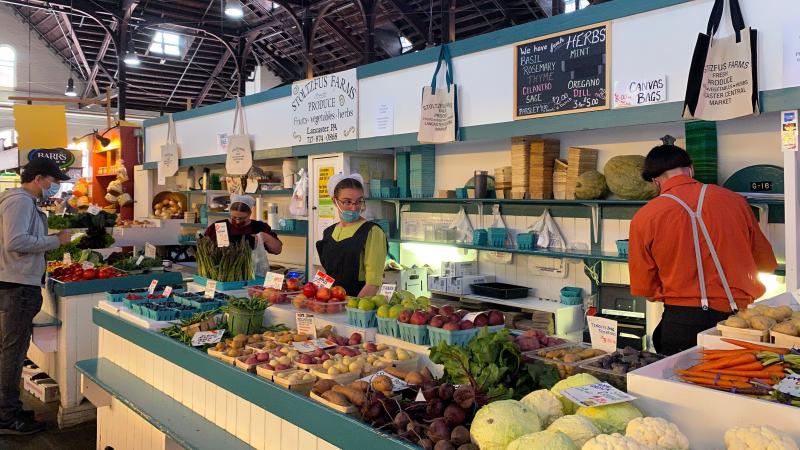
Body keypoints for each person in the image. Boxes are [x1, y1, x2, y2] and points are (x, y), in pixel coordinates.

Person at [628, 144, 777, 355]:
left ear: (655, 180)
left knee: (679, 384)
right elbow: (766, 264)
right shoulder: (735, 202)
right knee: (738, 383)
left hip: (682, 322)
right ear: (690, 169)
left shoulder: (645, 217)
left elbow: (645, 289)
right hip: (738, 323)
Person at [0, 158, 72, 435]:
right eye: (53, 182)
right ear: (40, 178)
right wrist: (57, 241)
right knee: (13, 352)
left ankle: (9, 409)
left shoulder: (18, 201)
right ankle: (8, 417)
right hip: (17, 285)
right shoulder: (19, 201)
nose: (54, 187)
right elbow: (16, 241)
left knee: (10, 350)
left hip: (14, 282)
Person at [316, 174, 388, 298]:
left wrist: (353, 309)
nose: (354, 207)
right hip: (332, 303)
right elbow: (328, 275)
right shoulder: (329, 232)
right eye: (347, 202)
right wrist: (315, 295)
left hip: (357, 303)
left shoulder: (372, 232)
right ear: (335, 201)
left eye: (359, 201)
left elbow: (373, 283)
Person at [204, 194, 283, 255]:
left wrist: (266, 237)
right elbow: (205, 249)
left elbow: (277, 250)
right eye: (234, 217)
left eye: (241, 218)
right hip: (223, 272)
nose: (238, 221)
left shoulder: (259, 227)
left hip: (253, 270)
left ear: (249, 214)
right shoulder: (218, 227)